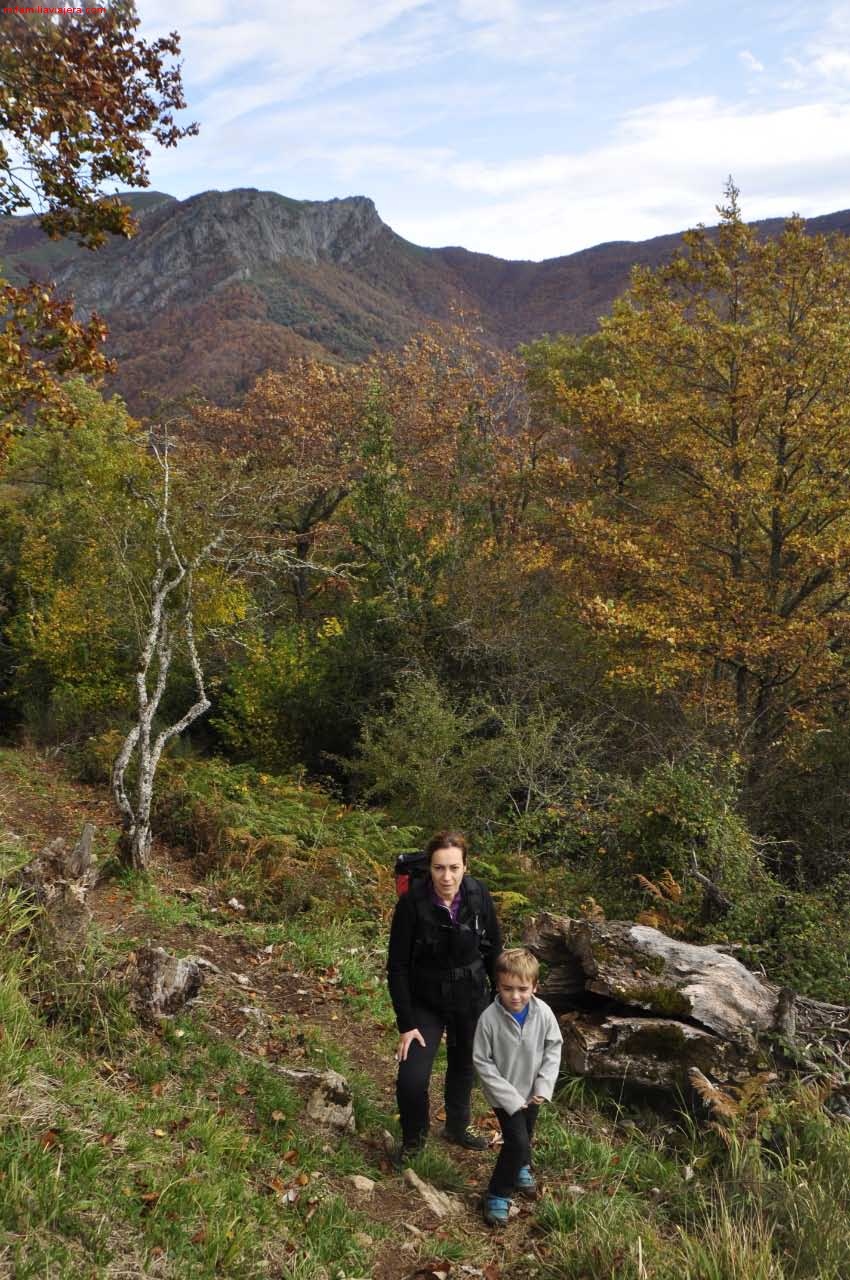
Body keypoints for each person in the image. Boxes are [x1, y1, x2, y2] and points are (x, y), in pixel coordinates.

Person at [387, 830, 502, 1160]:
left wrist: (500, 1002)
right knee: (412, 1077)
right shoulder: (412, 904)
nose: (446, 877)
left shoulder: (479, 895)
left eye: (454, 867)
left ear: (466, 865)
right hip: (426, 1000)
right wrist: (406, 1024)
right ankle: (414, 1140)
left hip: (471, 996)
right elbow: (397, 967)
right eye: (439, 868)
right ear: (429, 867)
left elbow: (494, 949)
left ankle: (457, 1125)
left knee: (464, 1065)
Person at [472, 947, 563, 1226]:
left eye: (522, 989)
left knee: (527, 1131)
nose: (515, 996)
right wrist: (510, 1097)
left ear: (535, 986)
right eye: (507, 988)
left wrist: (543, 1086)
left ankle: (521, 1166)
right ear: (497, 985)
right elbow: (482, 1061)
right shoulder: (489, 1019)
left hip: (533, 1090)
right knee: (516, 1140)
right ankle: (498, 1193)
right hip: (504, 1095)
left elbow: (553, 1049)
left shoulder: (544, 1014)